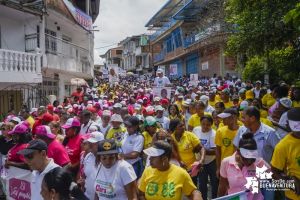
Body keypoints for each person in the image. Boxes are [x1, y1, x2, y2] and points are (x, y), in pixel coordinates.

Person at [138, 141, 203, 200]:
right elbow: (141, 194)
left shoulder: (180, 173)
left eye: (153, 157)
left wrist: (197, 195)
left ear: (164, 158)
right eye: (150, 156)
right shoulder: (147, 171)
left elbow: (192, 192)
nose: (150, 159)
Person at [218, 133, 271, 199]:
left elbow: (273, 177)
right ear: (238, 151)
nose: (249, 162)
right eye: (245, 158)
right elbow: (223, 186)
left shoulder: (260, 163)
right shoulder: (226, 162)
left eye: (252, 158)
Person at [271, 108, 300, 200]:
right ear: (288, 123)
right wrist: (291, 184)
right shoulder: (282, 146)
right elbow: (274, 174)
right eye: (297, 128)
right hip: (294, 197)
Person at [170, 118, 205, 185]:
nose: (183, 127)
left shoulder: (190, 135)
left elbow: (201, 148)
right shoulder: (170, 139)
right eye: (180, 126)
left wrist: (202, 160)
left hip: (191, 169)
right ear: (174, 128)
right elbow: (170, 154)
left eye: (183, 125)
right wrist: (179, 162)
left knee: (192, 189)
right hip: (177, 170)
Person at [192, 115, 218, 200]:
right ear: (200, 123)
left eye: (208, 124)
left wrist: (200, 149)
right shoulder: (195, 130)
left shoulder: (213, 133)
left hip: (211, 161)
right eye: (203, 124)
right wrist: (201, 149)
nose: (205, 126)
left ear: (211, 124)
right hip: (200, 162)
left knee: (214, 183)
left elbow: (214, 151)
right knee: (202, 183)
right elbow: (193, 144)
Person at [214, 108, 240, 179]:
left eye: (224, 118)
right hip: (225, 166)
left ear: (232, 118)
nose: (222, 120)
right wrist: (218, 168)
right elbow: (218, 150)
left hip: (239, 167)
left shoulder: (242, 131)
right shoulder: (220, 131)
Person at [81, 131, 104, 199]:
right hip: (87, 196)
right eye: (89, 143)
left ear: (101, 144)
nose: (90, 145)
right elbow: (85, 174)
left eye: (93, 144)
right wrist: (83, 182)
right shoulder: (88, 156)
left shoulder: (106, 159)